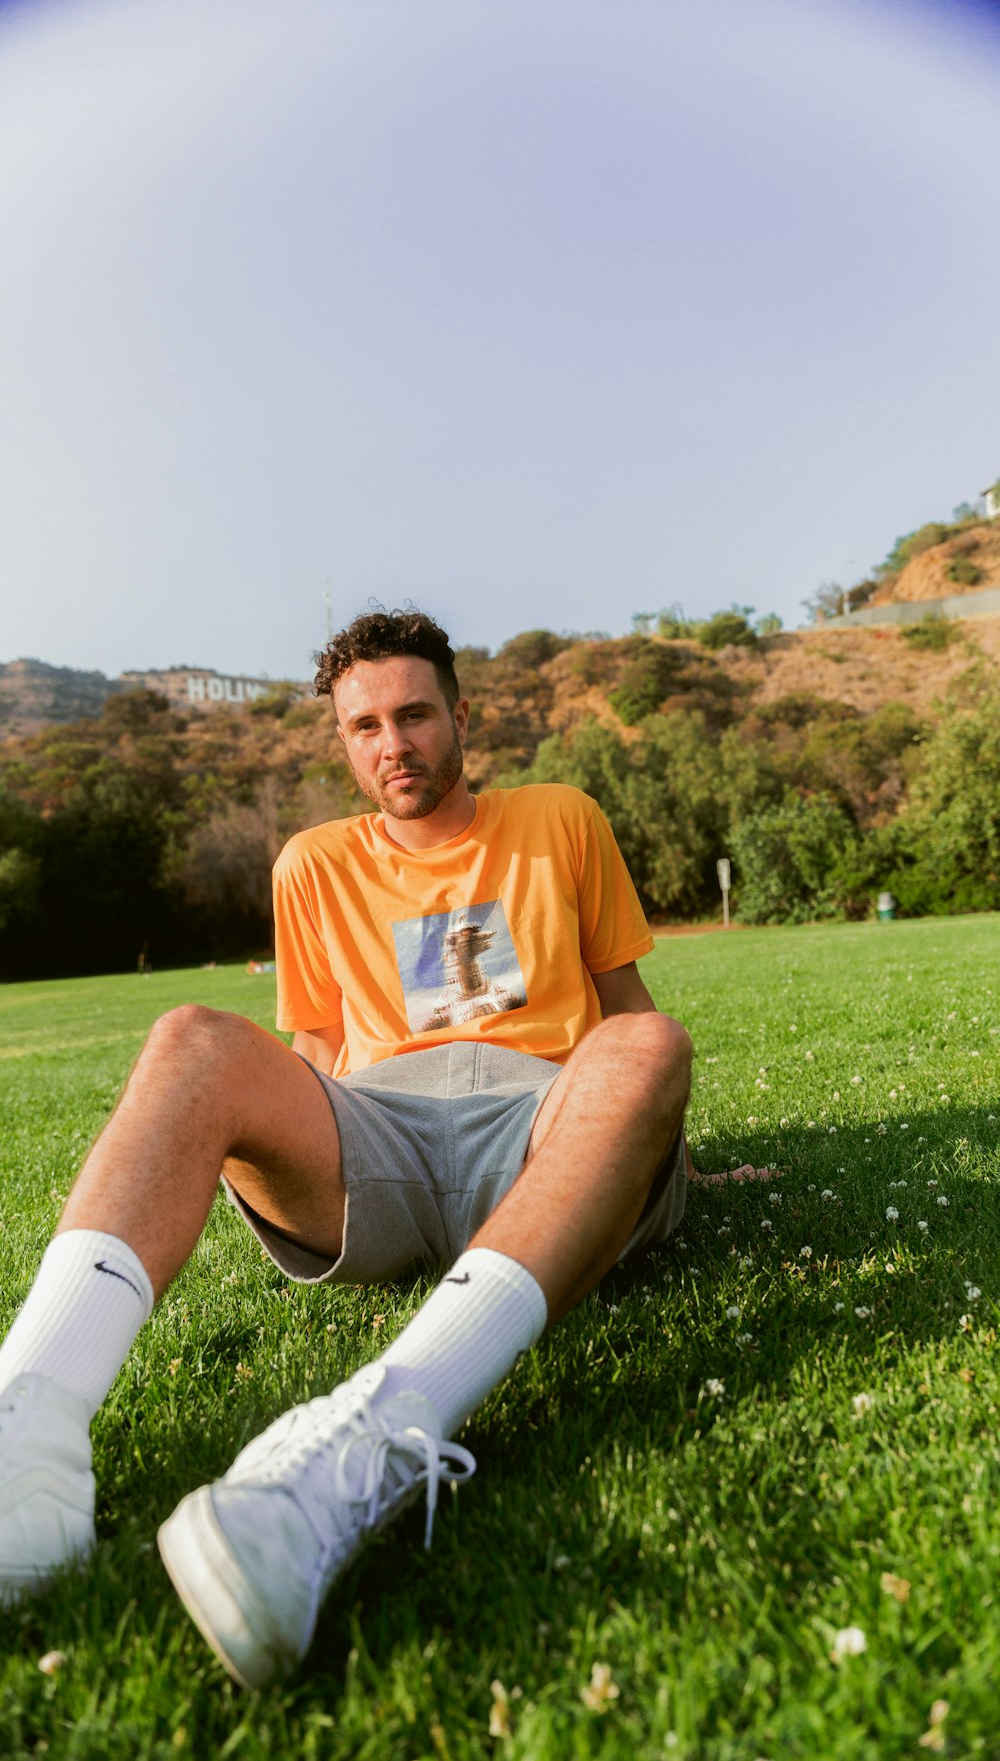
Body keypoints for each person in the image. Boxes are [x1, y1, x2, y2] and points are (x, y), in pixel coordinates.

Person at [0, 609, 694, 1691]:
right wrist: (268, 1134)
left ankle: (378, 1429)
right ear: (341, 739)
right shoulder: (310, 862)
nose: (393, 743)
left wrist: (669, 1145)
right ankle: (25, 1428)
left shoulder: (561, 817)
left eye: (415, 713)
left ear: (462, 715)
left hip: (543, 1123)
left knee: (648, 1044)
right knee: (191, 1039)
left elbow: (623, 1009)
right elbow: (313, 1044)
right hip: (381, 1134)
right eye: (364, 724)